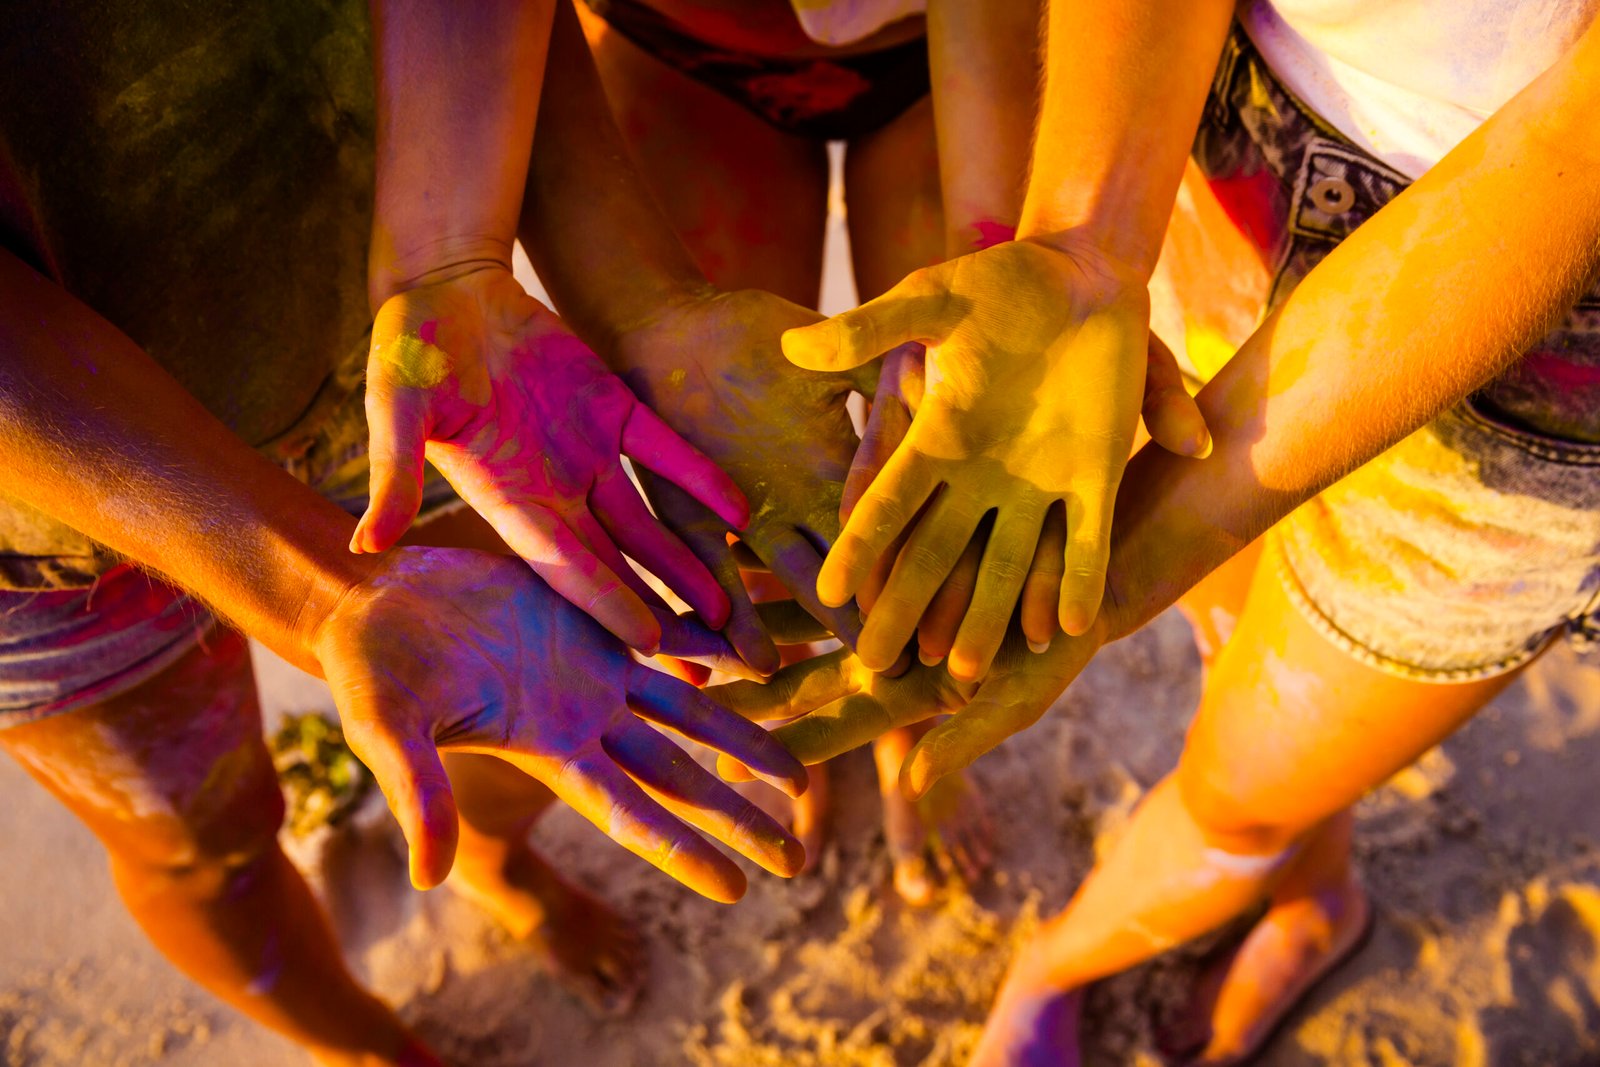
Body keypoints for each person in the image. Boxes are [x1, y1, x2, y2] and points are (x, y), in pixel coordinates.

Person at [729, 0, 1600, 1061]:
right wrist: (1087, 250)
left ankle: (1062, 957)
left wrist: (1148, 549)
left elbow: (1571, 152)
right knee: (1231, 649)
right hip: (1237, 146)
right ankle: (1317, 889)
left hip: (1549, 300)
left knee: (1241, 793)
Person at [0, 2, 814, 1061]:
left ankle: (499, 862)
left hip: (408, 357)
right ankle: (372, 1049)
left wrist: (478, 269)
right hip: (41, 480)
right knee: (201, 843)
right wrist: (323, 594)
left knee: (522, 678)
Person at [566, 0, 1212, 903]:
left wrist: (1016, 256)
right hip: (674, 45)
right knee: (740, 468)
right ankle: (791, 672)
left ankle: (903, 712)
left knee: (938, 441)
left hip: (946, 42)